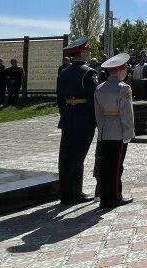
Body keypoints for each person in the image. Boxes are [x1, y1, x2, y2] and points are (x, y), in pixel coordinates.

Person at [56, 37, 98, 205]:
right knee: (77, 157)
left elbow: (60, 99)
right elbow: (93, 99)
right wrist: (96, 120)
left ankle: (65, 192)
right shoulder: (89, 72)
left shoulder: (64, 72)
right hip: (83, 118)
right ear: (83, 52)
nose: (89, 53)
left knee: (65, 156)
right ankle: (75, 193)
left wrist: (65, 114)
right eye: (88, 50)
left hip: (68, 117)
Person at [93, 53, 135, 208]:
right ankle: (115, 196)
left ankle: (104, 196)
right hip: (118, 131)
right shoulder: (124, 88)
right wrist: (129, 133)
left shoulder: (100, 87)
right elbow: (127, 113)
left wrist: (101, 128)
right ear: (120, 70)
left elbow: (97, 112)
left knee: (105, 165)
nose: (126, 72)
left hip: (105, 130)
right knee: (116, 166)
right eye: (125, 68)